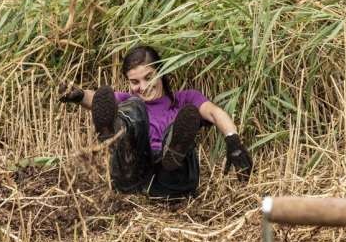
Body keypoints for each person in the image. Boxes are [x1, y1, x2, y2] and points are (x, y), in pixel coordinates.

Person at [58, 45, 252, 197]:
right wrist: (79, 95)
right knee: (132, 110)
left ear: (161, 72)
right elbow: (96, 100)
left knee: (184, 119)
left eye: (148, 78)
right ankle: (112, 134)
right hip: (134, 177)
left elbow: (215, 113)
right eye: (134, 82)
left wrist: (233, 141)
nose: (142, 87)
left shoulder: (185, 99)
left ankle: (173, 150)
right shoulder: (128, 101)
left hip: (174, 181)